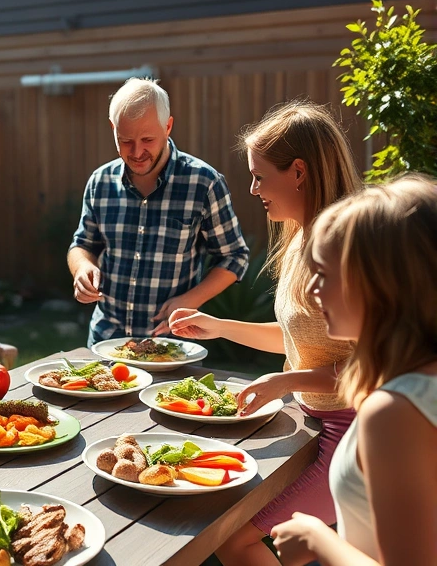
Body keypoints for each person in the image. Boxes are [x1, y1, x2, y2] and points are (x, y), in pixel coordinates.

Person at [167, 100, 363, 565]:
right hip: (312, 421)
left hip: (356, 434)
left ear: (298, 171)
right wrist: (219, 327)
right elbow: (304, 337)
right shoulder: (301, 236)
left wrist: (286, 381)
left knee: (233, 537)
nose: (253, 188)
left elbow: (371, 366)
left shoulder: (344, 247)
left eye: (260, 176)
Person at [270, 174, 437, 566]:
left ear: (380, 284)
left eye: (324, 275)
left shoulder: (395, 411)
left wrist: (316, 539)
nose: (312, 291)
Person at [68, 77, 249, 344]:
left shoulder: (204, 183)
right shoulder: (100, 182)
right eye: (126, 140)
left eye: (148, 139)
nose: (137, 151)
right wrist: (82, 268)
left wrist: (190, 300)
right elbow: (82, 244)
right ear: (113, 129)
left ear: (168, 127)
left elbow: (235, 257)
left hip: (173, 344)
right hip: (107, 339)